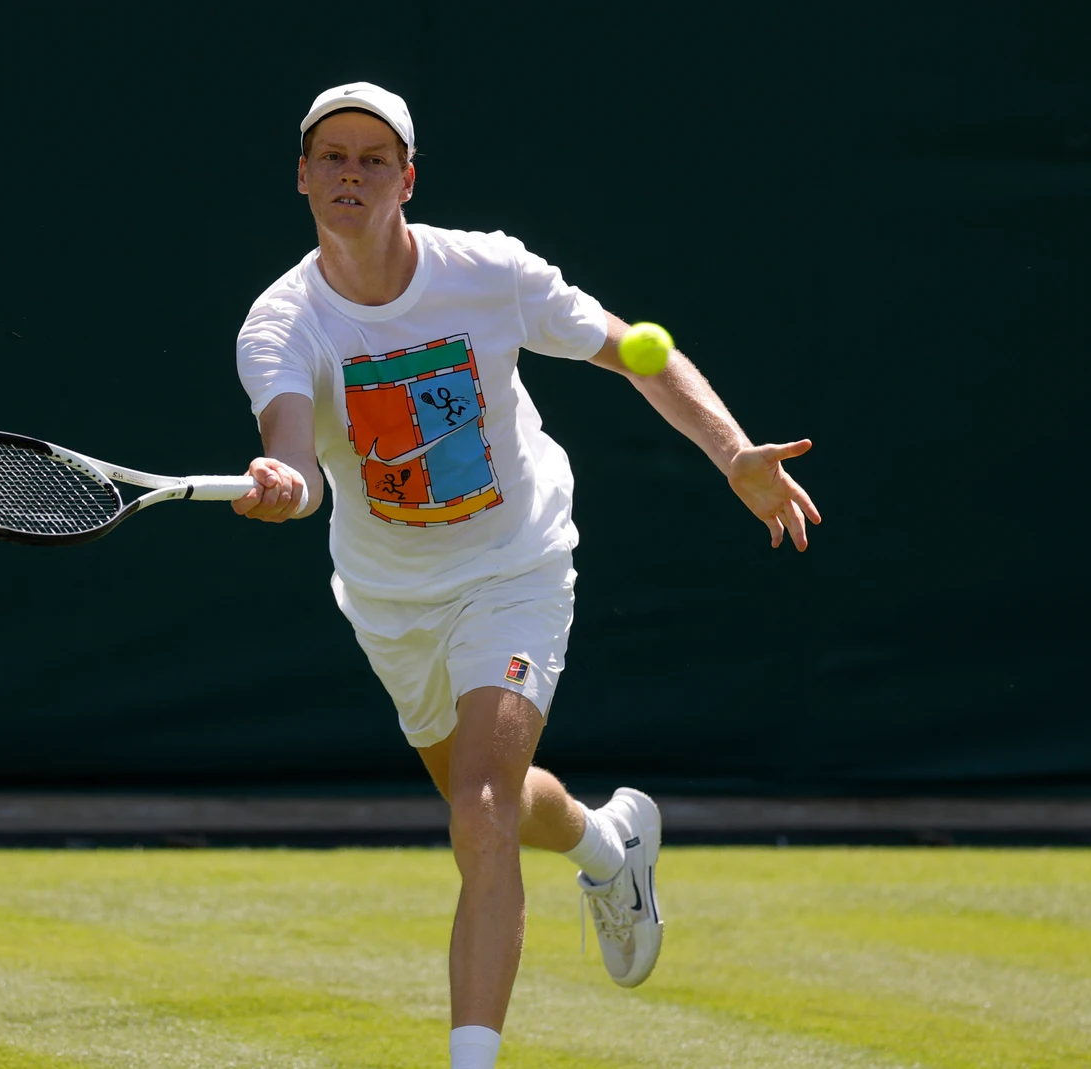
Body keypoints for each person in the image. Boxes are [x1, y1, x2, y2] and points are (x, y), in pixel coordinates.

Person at [232, 82, 821, 1069]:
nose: (350, 172)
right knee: (481, 797)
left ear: (406, 179)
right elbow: (290, 455)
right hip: (389, 597)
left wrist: (732, 456)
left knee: (483, 807)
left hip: (517, 562)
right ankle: (604, 844)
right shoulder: (280, 324)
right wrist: (280, 484)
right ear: (300, 175)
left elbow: (637, 349)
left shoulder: (490, 273)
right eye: (330, 155)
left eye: (373, 158)